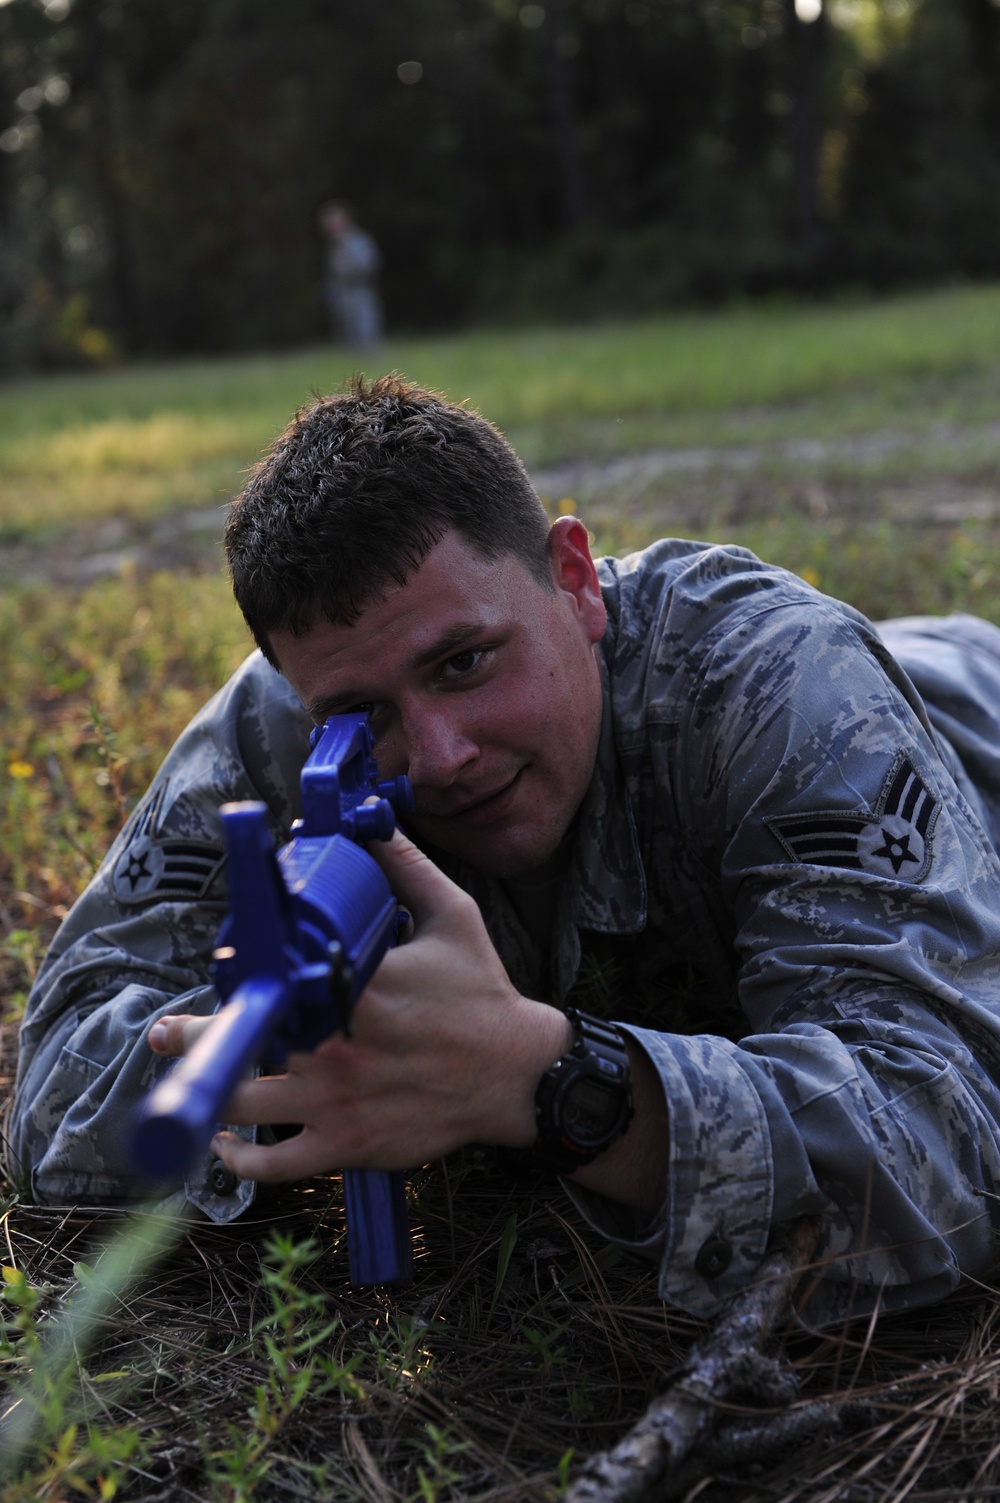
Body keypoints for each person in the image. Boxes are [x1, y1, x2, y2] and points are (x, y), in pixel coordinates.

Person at [12, 375, 1000, 1326]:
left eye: (466, 662)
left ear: (572, 581)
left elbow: (950, 1155)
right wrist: (294, 1058)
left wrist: (556, 1084)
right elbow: (57, 1077)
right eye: (361, 716)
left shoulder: (783, 690)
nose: (438, 757)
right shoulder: (280, 728)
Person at [318, 202, 383, 350]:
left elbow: (370, 265)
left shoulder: (359, 242)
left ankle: (372, 365)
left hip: (360, 293)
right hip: (341, 296)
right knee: (346, 337)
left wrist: (348, 268)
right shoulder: (334, 244)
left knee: (366, 331)